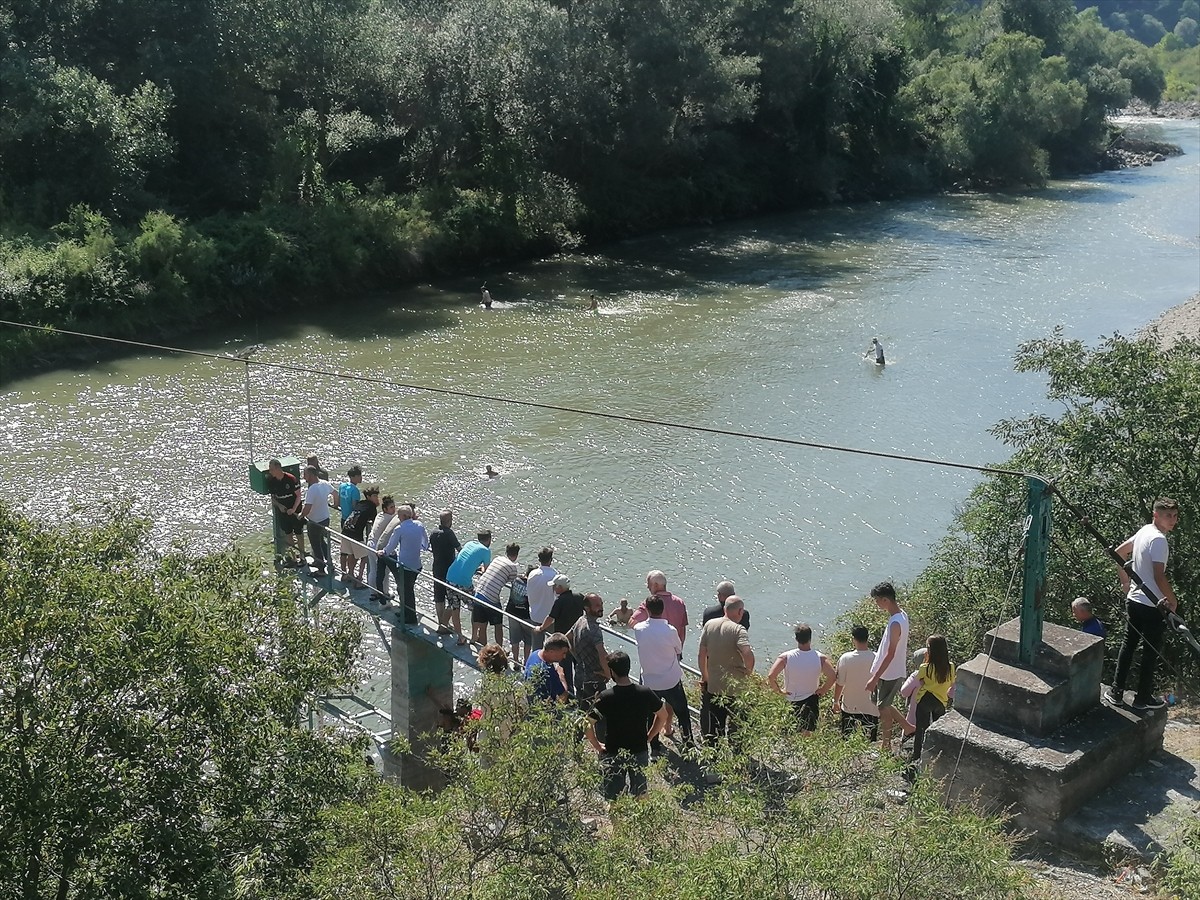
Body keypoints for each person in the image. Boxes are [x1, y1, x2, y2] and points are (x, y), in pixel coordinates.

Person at [1108, 498, 1180, 710]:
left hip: (1134, 600)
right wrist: (1173, 600)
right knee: (1150, 652)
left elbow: (1119, 553)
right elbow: (1159, 576)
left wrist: (1125, 583)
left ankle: (1116, 692)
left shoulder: (1144, 531)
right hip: (1153, 604)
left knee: (1128, 646)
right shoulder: (1158, 540)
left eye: (1175, 516)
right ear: (1156, 515)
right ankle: (1143, 698)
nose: (1173, 520)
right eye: (1168, 516)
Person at [585, 651, 671, 801]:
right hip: (639, 748)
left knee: (614, 796)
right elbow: (663, 715)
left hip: (613, 750)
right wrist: (650, 736)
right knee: (641, 793)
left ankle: (617, 817)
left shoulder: (606, 696)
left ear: (612, 672)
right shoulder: (645, 692)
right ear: (628, 668)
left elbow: (587, 723)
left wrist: (597, 745)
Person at [633, 594, 693, 751]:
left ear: (647, 609)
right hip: (670, 680)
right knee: (682, 713)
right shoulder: (670, 631)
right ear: (662, 609)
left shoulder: (639, 630)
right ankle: (688, 744)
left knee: (651, 714)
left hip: (650, 682)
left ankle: (654, 746)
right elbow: (678, 649)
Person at [697, 596, 754, 744]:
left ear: (724, 609)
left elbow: (701, 655)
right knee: (737, 728)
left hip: (714, 686)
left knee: (715, 728)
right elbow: (748, 655)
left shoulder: (709, 625)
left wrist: (705, 677)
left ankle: (715, 753)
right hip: (735, 688)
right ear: (740, 611)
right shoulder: (738, 629)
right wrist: (748, 672)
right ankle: (735, 753)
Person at [863, 581, 909, 754]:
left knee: (883, 708)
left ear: (885, 600)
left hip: (890, 672)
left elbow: (890, 654)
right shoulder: (901, 615)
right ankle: (907, 726)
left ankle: (886, 746)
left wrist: (874, 678)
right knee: (882, 704)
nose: (876, 604)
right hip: (889, 670)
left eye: (877, 600)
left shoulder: (895, 623)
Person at [767, 624, 836, 733]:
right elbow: (832, 676)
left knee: (790, 733)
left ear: (796, 638)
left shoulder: (785, 657)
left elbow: (771, 676)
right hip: (811, 699)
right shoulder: (820, 658)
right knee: (807, 734)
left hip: (791, 699)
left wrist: (779, 691)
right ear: (810, 638)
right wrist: (823, 690)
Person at [379, 505, 429, 623]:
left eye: (399, 516)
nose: (398, 518)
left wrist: (384, 552)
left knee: (406, 592)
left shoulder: (399, 529)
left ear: (403, 516)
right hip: (416, 565)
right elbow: (425, 543)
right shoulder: (419, 525)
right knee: (406, 590)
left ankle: (410, 617)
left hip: (405, 566)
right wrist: (422, 547)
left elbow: (391, 546)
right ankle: (405, 612)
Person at [537, 574, 586, 693]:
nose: (554, 588)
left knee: (565, 666)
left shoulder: (560, 600)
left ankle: (569, 692)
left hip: (563, 640)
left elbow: (551, 618)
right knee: (579, 665)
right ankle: (582, 691)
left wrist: (541, 628)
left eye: (555, 586)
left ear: (560, 587)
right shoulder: (579, 597)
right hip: (578, 637)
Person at [912, 634, 955, 762]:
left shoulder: (925, 667)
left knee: (921, 730)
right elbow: (951, 682)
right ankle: (938, 756)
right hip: (941, 700)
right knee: (938, 730)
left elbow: (919, 681)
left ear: (930, 650)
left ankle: (917, 758)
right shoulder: (950, 666)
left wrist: (926, 661)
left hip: (925, 698)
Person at [446, 530, 493, 643]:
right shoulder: (486, 551)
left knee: (455, 608)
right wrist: (481, 568)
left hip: (450, 577)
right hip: (463, 582)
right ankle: (473, 637)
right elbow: (486, 571)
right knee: (475, 608)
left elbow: (466, 559)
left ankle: (460, 637)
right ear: (489, 539)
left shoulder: (469, 543)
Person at [833, 625, 879, 740]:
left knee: (847, 740)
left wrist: (836, 701)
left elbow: (840, 683)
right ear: (868, 638)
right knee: (870, 742)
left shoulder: (845, 658)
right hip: (871, 708)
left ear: (853, 639)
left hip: (849, 706)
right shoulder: (877, 658)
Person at [473, 542, 520, 646]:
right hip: (491, 598)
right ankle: (499, 648)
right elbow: (513, 581)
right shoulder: (513, 567)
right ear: (516, 555)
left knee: (482, 625)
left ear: (506, 552)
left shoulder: (497, 558)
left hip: (478, 592)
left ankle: (483, 646)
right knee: (498, 625)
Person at [570, 592, 611, 706]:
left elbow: (567, 638)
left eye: (601, 604)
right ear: (587, 608)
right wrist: (608, 674)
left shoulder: (580, 620)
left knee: (582, 709)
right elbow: (602, 653)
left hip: (579, 674)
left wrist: (577, 656)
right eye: (597, 605)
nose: (601, 607)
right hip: (594, 680)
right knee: (596, 712)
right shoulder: (594, 629)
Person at [629, 570, 689, 648]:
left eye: (649, 584)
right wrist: (679, 650)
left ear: (656, 585)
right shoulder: (680, 602)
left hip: (654, 649)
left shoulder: (649, 603)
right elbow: (682, 631)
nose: (648, 587)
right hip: (673, 650)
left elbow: (632, 623)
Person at [428, 510, 462, 637]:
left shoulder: (433, 533)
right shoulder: (449, 533)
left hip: (437, 568)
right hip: (449, 570)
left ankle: (441, 623)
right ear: (449, 521)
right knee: (452, 598)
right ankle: (445, 624)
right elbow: (460, 549)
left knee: (439, 597)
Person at [265, 458, 304, 564]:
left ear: (278, 468)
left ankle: (302, 557)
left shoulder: (291, 479)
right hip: (283, 512)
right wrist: (279, 506)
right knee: (288, 534)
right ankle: (293, 558)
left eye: (271, 469)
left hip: (295, 510)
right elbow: (273, 498)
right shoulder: (272, 482)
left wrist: (294, 509)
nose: (270, 471)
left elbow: (298, 496)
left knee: (299, 533)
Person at [339, 486, 379, 583]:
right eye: (374, 496)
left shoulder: (361, 503)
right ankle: (359, 580)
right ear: (368, 497)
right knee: (364, 556)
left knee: (350, 553)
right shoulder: (371, 507)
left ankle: (348, 575)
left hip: (346, 528)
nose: (377, 498)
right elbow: (375, 522)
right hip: (355, 533)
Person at [300, 466, 334, 576]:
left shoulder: (312, 489)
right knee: (322, 542)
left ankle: (321, 569)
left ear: (310, 475)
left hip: (315, 522)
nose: (304, 477)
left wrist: (301, 515)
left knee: (315, 545)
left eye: (305, 474)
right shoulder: (325, 483)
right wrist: (336, 504)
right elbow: (336, 494)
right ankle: (330, 563)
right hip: (325, 519)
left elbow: (307, 508)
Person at [526, 548, 558, 650]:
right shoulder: (554, 575)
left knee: (536, 646)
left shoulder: (532, 574)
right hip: (549, 617)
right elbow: (557, 594)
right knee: (552, 645)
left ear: (539, 560)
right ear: (551, 560)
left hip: (535, 615)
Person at [523, 635, 570, 703]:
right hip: (543, 707)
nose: (564, 656)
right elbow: (562, 699)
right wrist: (561, 676)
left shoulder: (535, 653)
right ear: (551, 652)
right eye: (563, 653)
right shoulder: (547, 672)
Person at [366, 495, 397, 594]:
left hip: (370, 542)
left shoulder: (379, 515)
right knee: (385, 572)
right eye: (391, 507)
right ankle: (385, 592)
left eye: (394, 506)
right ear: (385, 509)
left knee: (373, 570)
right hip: (378, 546)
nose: (394, 509)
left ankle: (373, 593)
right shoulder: (390, 518)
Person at [506, 565, 536, 665]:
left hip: (512, 612)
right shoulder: (532, 585)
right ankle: (526, 662)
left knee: (514, 638)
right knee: (528, 639)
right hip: (526, 615)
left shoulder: (516, 579)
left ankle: (515, 661)